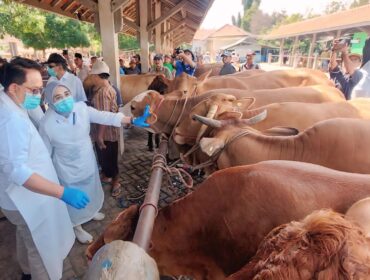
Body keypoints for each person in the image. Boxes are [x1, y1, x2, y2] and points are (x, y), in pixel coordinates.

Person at [0, 57, 90, 280]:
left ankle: (26, 271)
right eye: (34, 90)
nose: (39, 96)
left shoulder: (10, 103)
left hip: (17, 199)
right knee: (41, 249)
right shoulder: (11, 120)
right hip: (23, 199)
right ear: (13, 87)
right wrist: (62, 192)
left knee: (26, 236)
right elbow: (17, 171)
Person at [89, 61, 133, 197]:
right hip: (110, 131)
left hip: (106, 133)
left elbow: (104, 116)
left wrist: (100, 136)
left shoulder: (103, 92)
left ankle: (116, 182)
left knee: (109, 158)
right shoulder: (110, 88)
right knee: (108, 157)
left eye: (93, 76)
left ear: (97, 76)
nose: (92, 79)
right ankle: (108, 176)